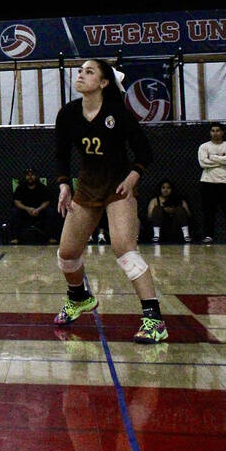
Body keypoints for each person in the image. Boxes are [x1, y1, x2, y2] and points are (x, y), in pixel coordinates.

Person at [52, 59, 166, 343]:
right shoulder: (67, 114)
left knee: (124, 249)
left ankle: (154, 320)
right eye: (80, 71)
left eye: (88, 72)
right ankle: (79, 299)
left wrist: (132, 179)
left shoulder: (118, 113)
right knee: (67, 254)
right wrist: (64, 185)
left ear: (103, 83)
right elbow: (61, 155)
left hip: (117, 189)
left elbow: (144, 152)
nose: (80, 75)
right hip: (87, 188)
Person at [198, 122, 226, 244]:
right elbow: (203, 163)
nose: (215, 133)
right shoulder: (204, 147)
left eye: (218, 130)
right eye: (213, 130)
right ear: (210, 132)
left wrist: (213, 158)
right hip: (208, 182)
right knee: (208, 211)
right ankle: (208, 235)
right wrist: (222, 160)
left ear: (222, 132)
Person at [6, 168, 57, 245]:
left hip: (39, 212)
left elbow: (47, 201)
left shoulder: (42, 187)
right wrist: (27, 209)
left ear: (36, 176)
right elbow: (16, 202)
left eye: (32, 175)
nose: (30, 177)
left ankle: (51, 237)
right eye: (28, 175)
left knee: (50, 211)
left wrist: (38, 209)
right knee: (14, 212)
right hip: (24, 212)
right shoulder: (20, 187)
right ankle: (14, 238)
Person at [147, 179, 192, 244]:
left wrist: (176, 211)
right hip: (162, 227)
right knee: (157, 209)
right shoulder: (155, 200)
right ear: (160, 189)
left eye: (168, 188)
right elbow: (149, 216)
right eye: (163, 188)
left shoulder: (180, 200)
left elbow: (188, 215)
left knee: (180, 209)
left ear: (172, 189)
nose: (166, 190)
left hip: (176, 227)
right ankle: (156, 235)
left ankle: (186, 235)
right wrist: (163, 211)